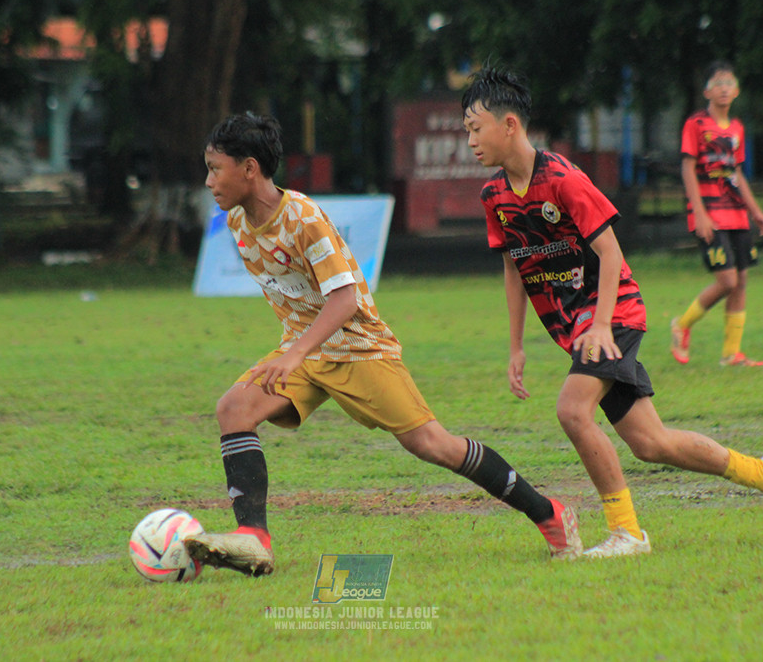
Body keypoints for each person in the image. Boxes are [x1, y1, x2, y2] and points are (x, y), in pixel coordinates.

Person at [186, 112, 582, 576]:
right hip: (307, 352)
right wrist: (297, 352)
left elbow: (345, 299)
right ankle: (253, 539)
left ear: (250, 169)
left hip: (359, 349)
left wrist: (294, 354)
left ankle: (550, 515)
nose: (209, 180)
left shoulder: (304, 219)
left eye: (216, 168)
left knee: (435, 445)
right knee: (233, 408)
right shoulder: (236, 220)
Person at [461, 66, 763, 558]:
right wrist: (516, 345)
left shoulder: (561, 178)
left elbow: (611, 253)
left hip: (613, 313)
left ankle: (627, 532)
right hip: (581, 328)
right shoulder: (493, 196)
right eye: (466, 130)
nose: (470, 140)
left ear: (509, 125)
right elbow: (515, 269)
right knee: (652, 442)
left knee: (572, 410)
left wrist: (601, 324)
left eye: (476, 128)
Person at [671, 60, 763, 367]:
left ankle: (731, 354)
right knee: (727, 280)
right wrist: (699, 214)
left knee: (741, 280)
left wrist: (757, 212)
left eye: (729, 83)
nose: (724, 88)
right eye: (718, 83)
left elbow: (736, 174)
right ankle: (682, 325)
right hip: (710, 213)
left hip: (736, 214)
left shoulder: (738, 129)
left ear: (737, 90)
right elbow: (687, 168)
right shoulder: (696, 124)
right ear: (707, 90)